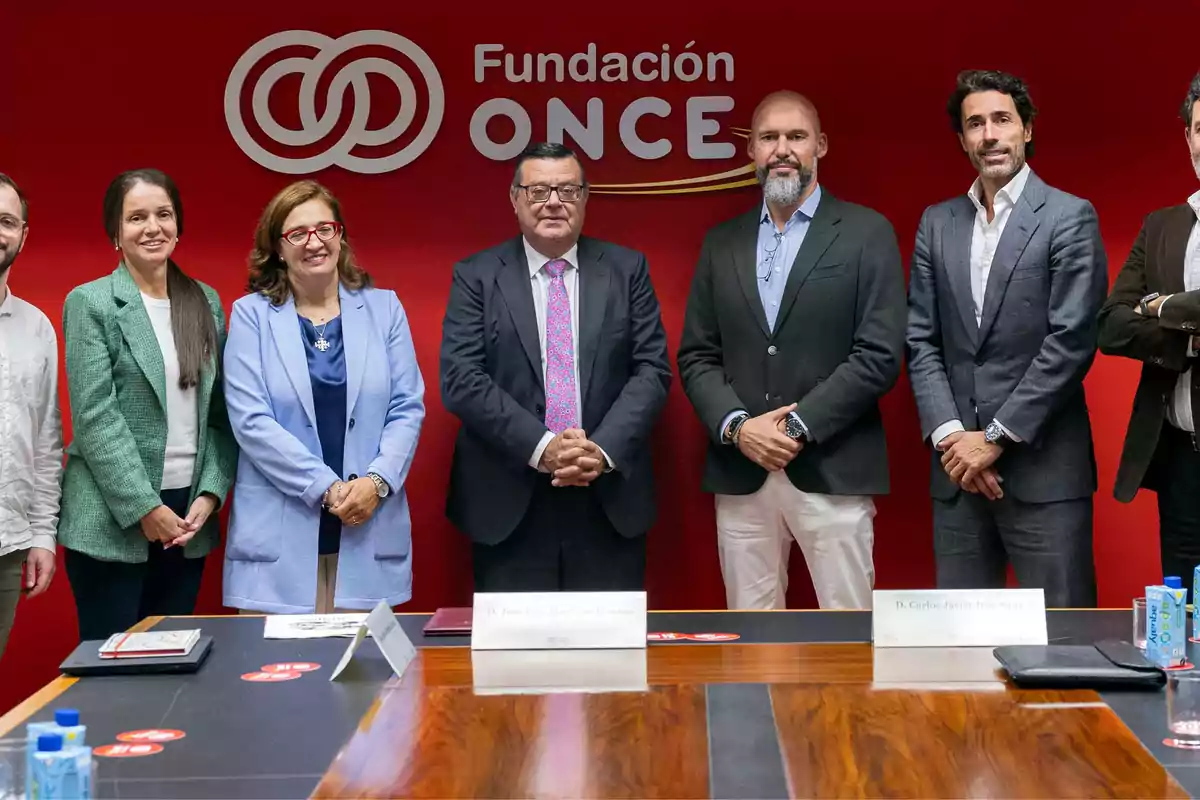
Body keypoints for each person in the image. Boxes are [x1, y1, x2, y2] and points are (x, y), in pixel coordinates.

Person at [676, 91, 906, 610]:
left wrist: (796, 427)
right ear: (752, 151)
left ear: (820, 145)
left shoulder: (867, 233)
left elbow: (879, 353)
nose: (782, 149)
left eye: (796, 136)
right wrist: (739, 427)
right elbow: (697, 355)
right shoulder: (721, 243)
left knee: (849, 644)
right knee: (753, 648)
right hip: (742, 472)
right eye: (768, 138)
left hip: (833, 469)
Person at [906, 70, 1108, 607]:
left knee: (1065, 647)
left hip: (1044, 476)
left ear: (1027, 130)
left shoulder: (1069, 217)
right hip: (958, 478)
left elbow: (1070, 342)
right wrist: (954, 439)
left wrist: (992, 438)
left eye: (1002, 120)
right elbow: (921, 340)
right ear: (963, 140)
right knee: (960, 655)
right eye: (976, 124)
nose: (989, 134)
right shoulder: (937, 222)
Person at [440, 142, 671, 592]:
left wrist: (598, 452)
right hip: (508, 497)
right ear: (514, 198)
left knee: (608, 656)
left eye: (567, 190)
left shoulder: (627, 269)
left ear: (585, 199)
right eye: (538, 190)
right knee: (513, 657)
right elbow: (461, 379)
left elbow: (652, 371)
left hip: (607, 494)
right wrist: (543, 446)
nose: (553, 202)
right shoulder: (476, 275)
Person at [223, 180, 424, 614]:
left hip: (368, 523)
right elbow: (250, 421)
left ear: (341, 236)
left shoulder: (385, 309)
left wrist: (375, 483)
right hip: (281, 534)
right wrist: (327, 489)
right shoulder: (250, 316)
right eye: (298, 233)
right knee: (275, 677)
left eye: (324, 229)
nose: (314, 243)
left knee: (365, 679)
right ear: (278, 247)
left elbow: (407, 408)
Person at [59, 169, 236, 641]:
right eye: (136, 217)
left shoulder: (206, 302)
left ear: (178, 225)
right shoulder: (91, 302)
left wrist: (210, 494)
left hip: (187, 520)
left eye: (163, 214)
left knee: (173, 669)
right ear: (115, 233)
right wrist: (144, 507)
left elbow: (220, 415)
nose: (152, 227)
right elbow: (96, 417)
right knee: (113, 673)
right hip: (114, 520)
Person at [1098, 71, 1200, 597]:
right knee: (1181, 613)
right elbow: (1112, 325)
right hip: (1182, 454)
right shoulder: (1161, 227)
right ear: (1188, 138)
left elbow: (1146, 311)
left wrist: (1162, 306)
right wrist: (1187, 337)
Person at [0, 173, 61, 660]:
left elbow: (45, 444)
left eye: (6, 221)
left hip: (7, 545)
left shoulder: (37, 327)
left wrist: (41, 534)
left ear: (23, 234)